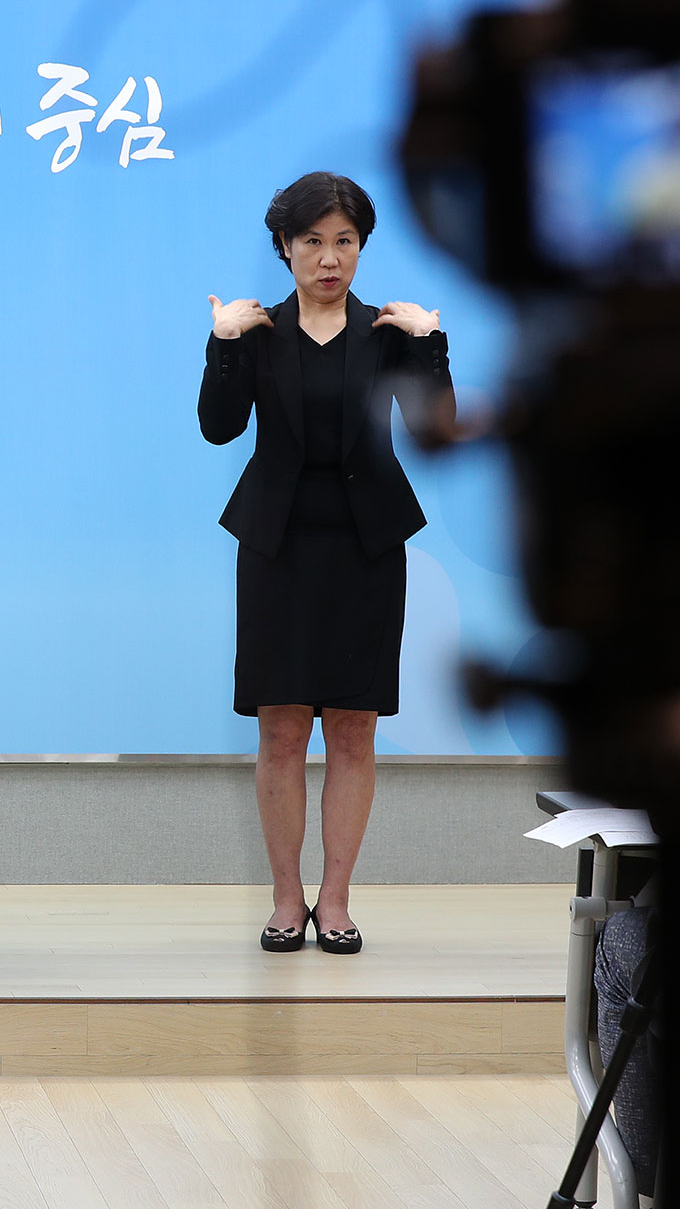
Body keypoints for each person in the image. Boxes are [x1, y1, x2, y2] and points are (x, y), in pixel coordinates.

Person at [197, 172, 454, 955]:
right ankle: (285, 900)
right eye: (312, 241)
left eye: (345, 241)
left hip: (365, 547)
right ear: (285, 246)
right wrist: (223, 346)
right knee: (280, 731)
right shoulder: (258, 329)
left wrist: (430, 346)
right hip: (276, 547)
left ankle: (335, 901)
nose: (330, 257)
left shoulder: (386, 332)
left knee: (352, 730)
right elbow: (218, 428)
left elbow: (436, 429)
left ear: (362, 247)